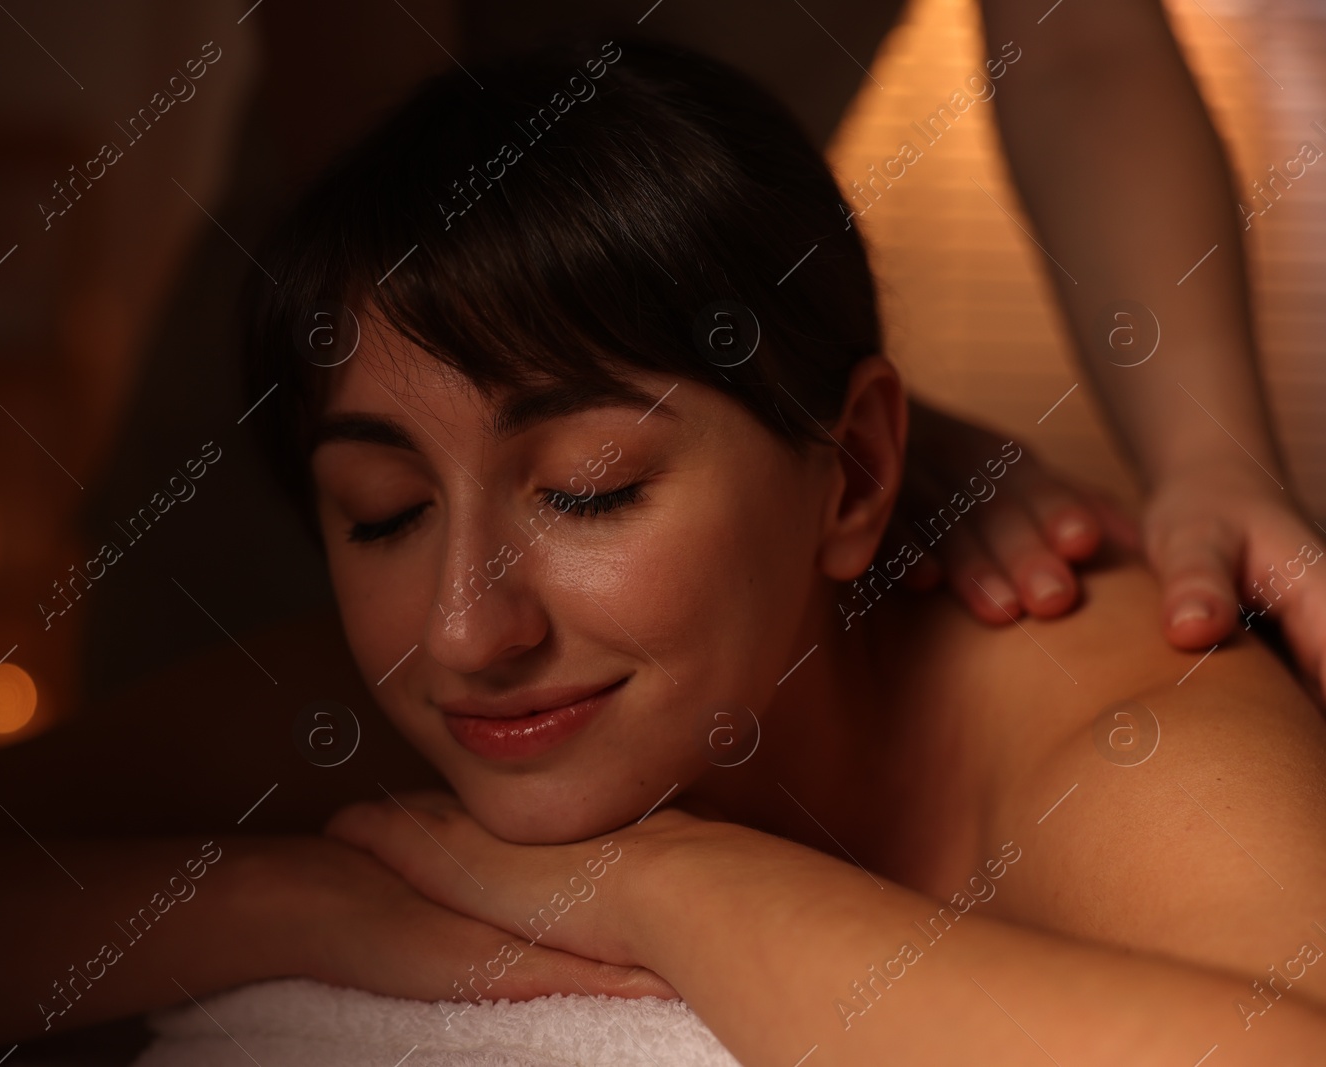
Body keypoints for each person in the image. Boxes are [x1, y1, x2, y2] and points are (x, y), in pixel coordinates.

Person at [255, 38, 1326, 1063]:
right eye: (383, 509)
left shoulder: (1127, 729)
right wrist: (317, 906)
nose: (467, 629)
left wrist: (664, 879)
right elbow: (77, 888)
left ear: (855, 469)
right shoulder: (422, 683)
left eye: (593, 488)